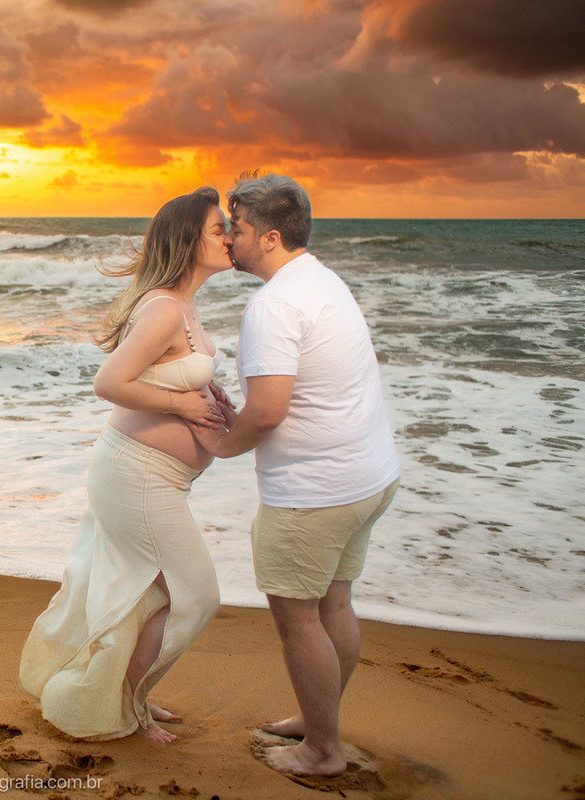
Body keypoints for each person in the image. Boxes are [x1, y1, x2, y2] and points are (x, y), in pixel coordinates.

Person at [20, 187, 236, 743]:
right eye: (219, 229)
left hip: (153, 477)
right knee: (195, 596)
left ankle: (126, 694)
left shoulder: (182, 304)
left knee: (151, 595)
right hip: (138, 475)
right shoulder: (165, 309)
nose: (231, 236)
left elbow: (166, 373)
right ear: (189, 240)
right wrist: (181, 405)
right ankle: (126, 707)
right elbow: (109, 382)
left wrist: (210, 397)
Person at [202, 173, 400, 776]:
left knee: (297, 620)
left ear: (268, 237)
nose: (228, 239)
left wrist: (220, 446)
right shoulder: (320, 279)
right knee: (334, 605)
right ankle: (319, 722)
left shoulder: (274, 305)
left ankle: (321, 750)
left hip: (314, 493)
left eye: (236, 229)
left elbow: (267, 412)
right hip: (368, 477)